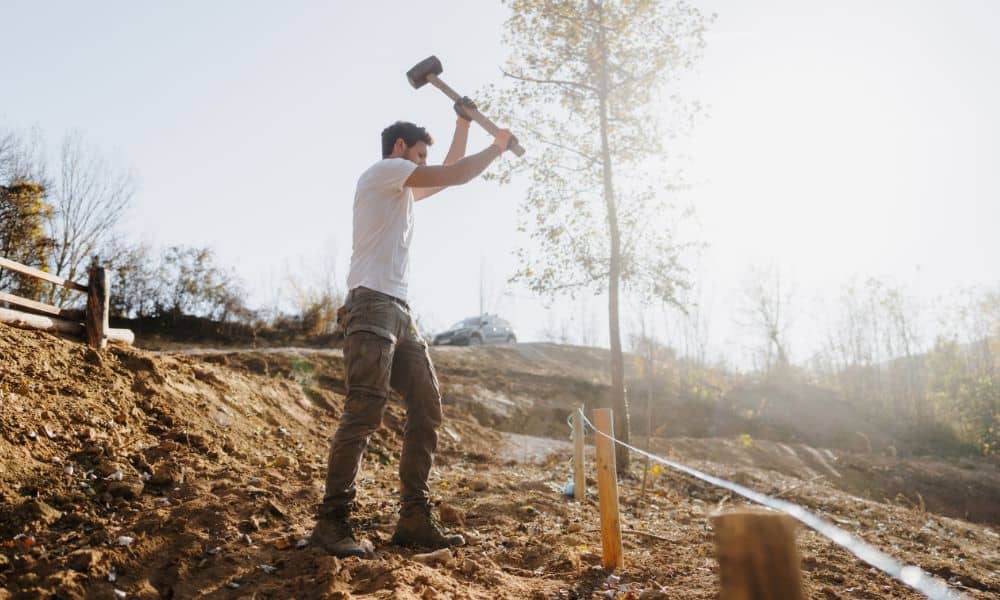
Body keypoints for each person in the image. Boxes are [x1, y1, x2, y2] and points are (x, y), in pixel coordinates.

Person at [310, 99, 514, 558]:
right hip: (370, 305)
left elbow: (448, 173)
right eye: (420, 155)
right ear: (399, 147)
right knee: (364, 410)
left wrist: (462, 124)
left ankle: (414, 519)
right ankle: (332, 522)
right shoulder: (384, 172)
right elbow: (456, 174)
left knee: (426, 405)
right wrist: (496, 148)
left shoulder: (401, 188)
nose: (423, 164)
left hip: (399, 311)